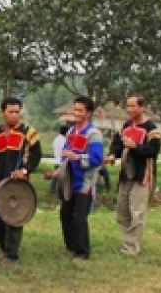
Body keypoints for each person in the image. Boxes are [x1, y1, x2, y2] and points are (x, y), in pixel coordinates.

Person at [0, 97, 41, 264]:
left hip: (19, 184)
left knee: (16, 217)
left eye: (17, 112)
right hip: (1, 183)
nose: (15, 115)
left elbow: (36, 155)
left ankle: (11, 254)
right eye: (11, 112)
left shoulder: (28, 132)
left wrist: (25, 170)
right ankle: (4, 248)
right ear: (3, 113)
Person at [106, 95, 161, 256]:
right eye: (128, 106)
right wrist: (112, 155)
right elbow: (117, 144)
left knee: (137, 212)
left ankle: (130, 247)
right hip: (126, 174)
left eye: (133, 106)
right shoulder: (126, 126)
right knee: (122, 212)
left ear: (142, 107)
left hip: (142, 175)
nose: (129, 109)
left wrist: (136, 147)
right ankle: (130, 242)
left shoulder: (151, 128)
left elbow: (154, 150)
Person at [54, 95, 104, 261]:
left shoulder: (94, 134)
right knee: (65, 214)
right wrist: (60, 169)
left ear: (88, 113)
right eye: (75, 109)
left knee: (80, 218)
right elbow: (65, 155)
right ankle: (72, 246)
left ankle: (83, 252)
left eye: (80, 110)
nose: (76, 113)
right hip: (69, 180)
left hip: (85, 182)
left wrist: (77, 157)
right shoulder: (71, 131)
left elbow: (97, 159)